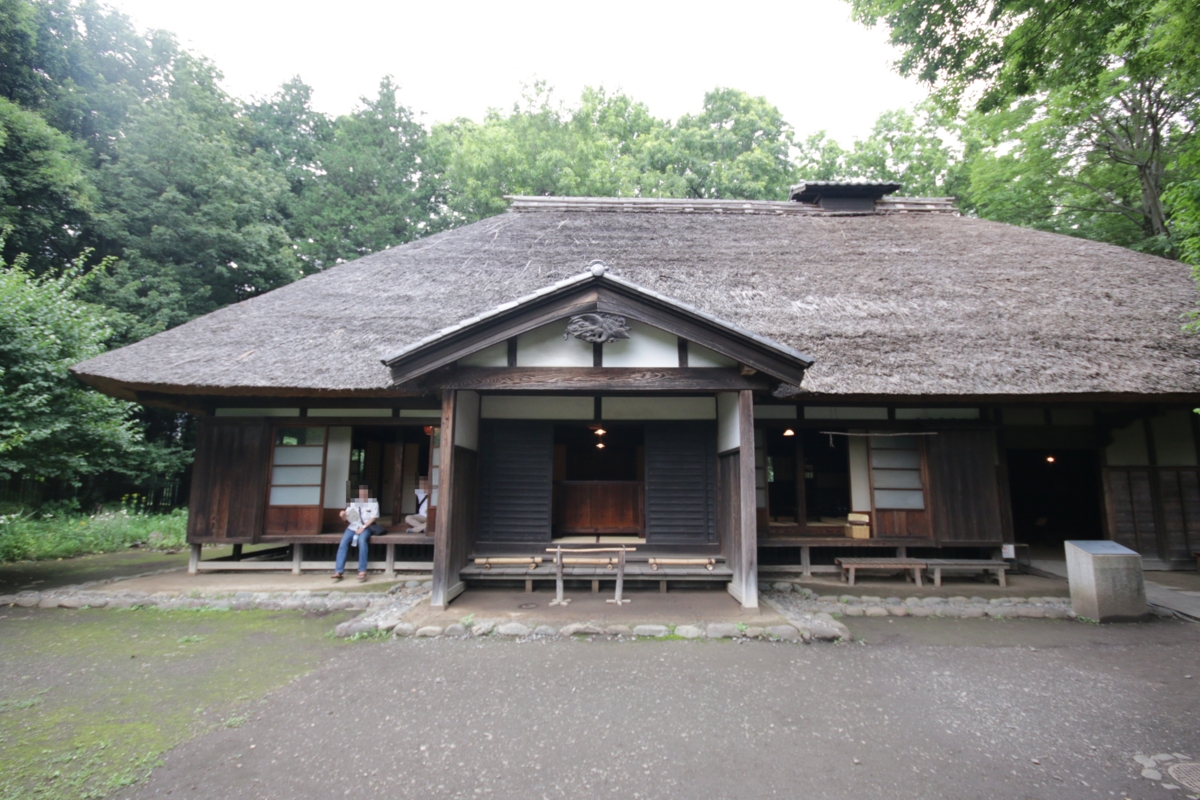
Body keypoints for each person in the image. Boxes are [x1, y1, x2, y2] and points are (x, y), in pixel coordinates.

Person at [334, 485, 381, 582]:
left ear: (368, 493)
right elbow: (346, 519)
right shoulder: (353, 503)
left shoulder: (373, 503)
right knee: (343, 543)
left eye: (364, 492)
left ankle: (362, 571)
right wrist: (342, 516)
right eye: (360, 492)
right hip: (352, 527)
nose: (362, 494)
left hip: (366, 527)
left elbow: (373, 518)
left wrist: (363, 528)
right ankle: (338, 571)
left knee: (362, 541)